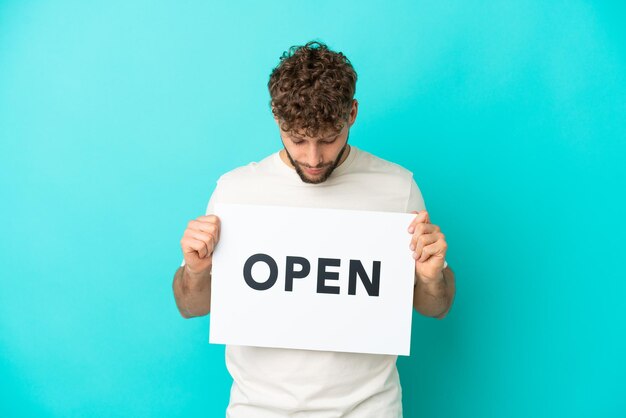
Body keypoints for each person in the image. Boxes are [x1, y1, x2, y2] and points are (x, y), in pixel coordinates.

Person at [172, 41, 456, 418]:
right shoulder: (235, 191)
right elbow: (191, 306)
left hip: (369, 409)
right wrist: (195, 270)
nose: (313, 158)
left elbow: (436, 307)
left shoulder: (397, 188)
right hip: (259, 410)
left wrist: (431, 278)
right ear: (276, 117)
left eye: (328, 139)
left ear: (352, 113)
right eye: (298, 139)